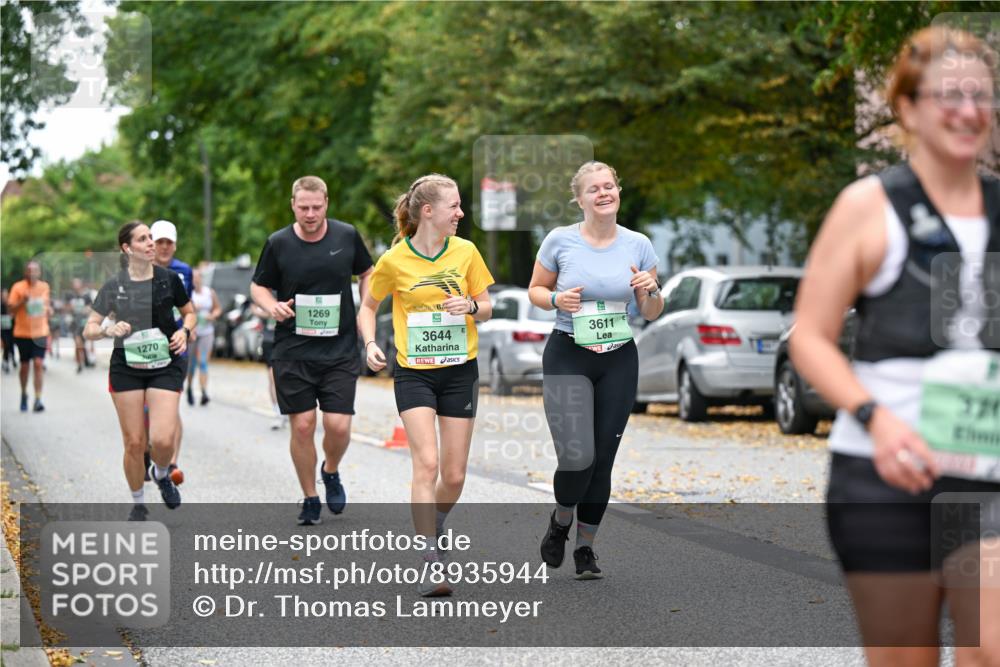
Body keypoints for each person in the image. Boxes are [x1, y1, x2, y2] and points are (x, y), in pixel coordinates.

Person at [790, 27, 999, 666]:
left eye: (982, 96)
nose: (969, 111)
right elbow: (812, 340)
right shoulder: (869, 205)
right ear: (908, 108)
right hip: (884, 479)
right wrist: (873, 419)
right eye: (949, 95)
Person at [360, 174, 494, 597]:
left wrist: (471, 306)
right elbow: (368, 304)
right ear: (429, 212)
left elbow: (487, 307)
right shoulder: (394, 260)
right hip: (414, 372)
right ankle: (428, 558)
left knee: (453, 477)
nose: (461, 213)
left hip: (460, 371)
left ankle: (433, 521)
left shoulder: (466, 252)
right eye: (454, 206)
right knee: (427, 464)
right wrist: (368, 342)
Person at [528, 161, 663, 579]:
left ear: (618, 192)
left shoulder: (638, 244)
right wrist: (556, 301)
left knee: (602, 459)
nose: (603, 193)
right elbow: (535, 290)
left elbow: (653, 311)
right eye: (594, 189)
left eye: (609, 187)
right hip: (569, 353)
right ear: (580, 198)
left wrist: (651, 290)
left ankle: (585, 549)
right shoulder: (560, 240)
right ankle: (560, 521)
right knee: (576, 458)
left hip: (618, 355)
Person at [250, 175, 374, 525]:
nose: (309, 214)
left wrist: (366, 304)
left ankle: (330, 469)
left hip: (339, 349)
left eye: (316, 207)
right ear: (293, 205)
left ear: (326, 204)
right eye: (303, 207)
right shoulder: (278, 243)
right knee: (303, 426)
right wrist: (270, 306)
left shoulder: (346, 236)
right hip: (293, 348)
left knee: (337, 426)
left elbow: (368, 271)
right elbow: (258, 286)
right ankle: (309, 497)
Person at [83, 221, 196, 521]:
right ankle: (138, 503)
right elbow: (89, 328)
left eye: (151, 238)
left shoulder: (169, 279)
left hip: (166, 363)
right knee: (134, 442)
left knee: (161, 439)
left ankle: (160, 472)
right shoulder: (113, 285)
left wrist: (184, 331)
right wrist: (108, 329)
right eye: (143, 239)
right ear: (126, 248)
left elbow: (190, 313)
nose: (151, 244)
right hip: (127, 368)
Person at [150, 219, 193, 482]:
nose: (164, 247)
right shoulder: (139, 272)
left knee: (171, 404)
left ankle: (172, 462)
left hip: (176, 343)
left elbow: (189, 306)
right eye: (159, 242)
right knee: (146, 407)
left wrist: (188, 328)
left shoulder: (184, 271)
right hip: (146, 345)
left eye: (169, 243)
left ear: (175, 245)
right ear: (150, 245)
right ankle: (150, 451)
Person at [8, 261, 53, 412]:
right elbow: (10, 310)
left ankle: (38, 398)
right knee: (25, 367)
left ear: (39, 273)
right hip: (22, 333)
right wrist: (22, 301)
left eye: (35, 271)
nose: (32, 273)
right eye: (29, 270)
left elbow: (47, 306)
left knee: (39, 364)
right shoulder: (17, 287)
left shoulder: (44, 287)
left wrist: (49, 311)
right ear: (25, 272)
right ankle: (23, 393)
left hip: (40, 332)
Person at [186, 268, 222, 406]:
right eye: (192, 278)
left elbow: (218, 309)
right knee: (191, 364)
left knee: (203, 362)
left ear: (201, 278)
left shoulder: (209, 292)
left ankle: (204, 392)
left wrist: (212, 316)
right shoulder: (187, 293)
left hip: (207, 331)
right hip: (192, 333)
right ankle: (189, 388)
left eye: (197, 277)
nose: (195, 280)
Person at [253, 301, 286, 431]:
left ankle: (287, 408)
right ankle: (278, 412)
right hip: (269, 342)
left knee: (285, 378)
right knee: (273, 378)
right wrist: (269, 311)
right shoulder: (265, 290)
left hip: (285, 341)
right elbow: (254, 308)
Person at [64, 278, 94, 373]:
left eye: (77, 283)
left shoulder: (86, 296)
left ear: (81, 284)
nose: (76, 285)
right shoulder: (70, 296)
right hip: (74, 323)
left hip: (83, 323)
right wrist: (70, 308)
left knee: (83, 343)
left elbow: (91, 307)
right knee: (77, 343)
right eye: (74, 283)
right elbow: (65, 308)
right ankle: (79, 363)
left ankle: (85, 359)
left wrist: (86, 309)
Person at [1, 287, 15, 374]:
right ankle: (6, 361)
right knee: (5, 343)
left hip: (10, 328)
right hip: (2, 328)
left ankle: (8, 360)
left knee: (10, 344)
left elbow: (14, 314)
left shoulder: (10, 304)